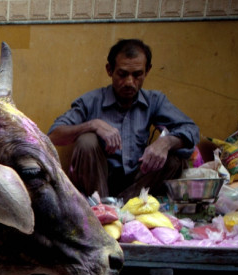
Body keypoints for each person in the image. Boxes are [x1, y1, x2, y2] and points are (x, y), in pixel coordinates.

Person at [48, 39, 200, 201]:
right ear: (110, 70)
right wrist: (92, 125)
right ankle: (102, 208)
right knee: (87, 140)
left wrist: (166, 142)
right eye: (122, 74)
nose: (129, 82)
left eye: (137, 75)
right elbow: (53, 136)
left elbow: (191, 130)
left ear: (147, 71)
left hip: (139, 183)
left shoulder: (154, 101)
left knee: (174, 157)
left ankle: (125, 208)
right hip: (99, 184)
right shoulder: (91, 101)